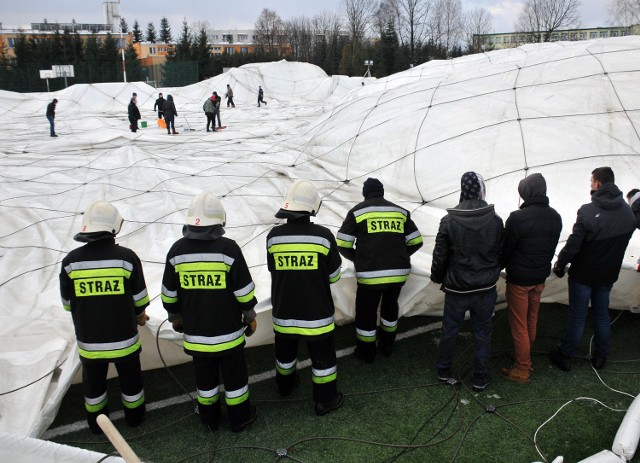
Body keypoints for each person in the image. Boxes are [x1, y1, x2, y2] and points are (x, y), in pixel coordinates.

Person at [161, 191, 258, 432]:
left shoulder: (176, 252)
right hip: (229, 335)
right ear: (220, 220)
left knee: (205, 381)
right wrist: (250, 316)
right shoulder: (229, 249)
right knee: (235, 380)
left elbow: (168, 295)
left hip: (197, 337)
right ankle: (240, 419)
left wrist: (176, 318)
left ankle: (209, 420)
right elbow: (244, 292)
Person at [59, 201, 150, 434]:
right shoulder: (127, 258)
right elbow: (140, 300)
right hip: (125, 341)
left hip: (90, 344)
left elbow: (68, 304)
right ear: (113, 228)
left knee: (94, 384)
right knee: (131, 381)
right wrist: (139, 316)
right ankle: (135, 418)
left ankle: (97, 424)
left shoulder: (70, 262)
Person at [266, 180, 344, 416]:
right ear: (312, 207)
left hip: (284, 313)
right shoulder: (323, 236)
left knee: (285, 355)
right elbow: (334, 275)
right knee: (323, 361)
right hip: (316, 314)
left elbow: (273, 270)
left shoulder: (273, 237)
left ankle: (285, 386)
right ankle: (325, 400)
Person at [551, 167, 635, 371]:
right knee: (601, 314)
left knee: (577, 315)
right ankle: (600, 356)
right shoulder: (627, 213)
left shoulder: (588, 212)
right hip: (607, 275)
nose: (590, 187)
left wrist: (560, 264)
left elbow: (573, 245)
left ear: (598, 184)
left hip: (584, 275)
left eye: (591, 183)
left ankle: (566, 354)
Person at [336, 178, 423, 363]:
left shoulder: (357, 212)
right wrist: (401, 255)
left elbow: (342, 243)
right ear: (382, 192)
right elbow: (416, 241)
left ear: (365, 193)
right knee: (390, 309)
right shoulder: (401, 212)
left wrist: (357, 258)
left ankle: (367, 353)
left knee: (366, 314)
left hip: (370, 276)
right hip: (398, 274)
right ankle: (387, 346)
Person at [431, 172, 503, 392]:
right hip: (485, 288)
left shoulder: (449, 221)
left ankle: (443, 371)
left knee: (450, 330)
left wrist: (437, 276)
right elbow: (501, 252)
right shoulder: (496, 220)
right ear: (481, 189)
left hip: (457, 288)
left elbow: (440, 255)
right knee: (483, 333)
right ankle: (480, 378)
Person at [499, 173, 562, 384]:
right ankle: (523, 357)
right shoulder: (555, 216)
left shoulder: (517, 218)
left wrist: (497, 267)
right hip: (539, 278)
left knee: (519, 325)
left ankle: (522, 368)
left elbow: (506, 251)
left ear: (526, 192)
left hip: (519, 280)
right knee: (531, 320)